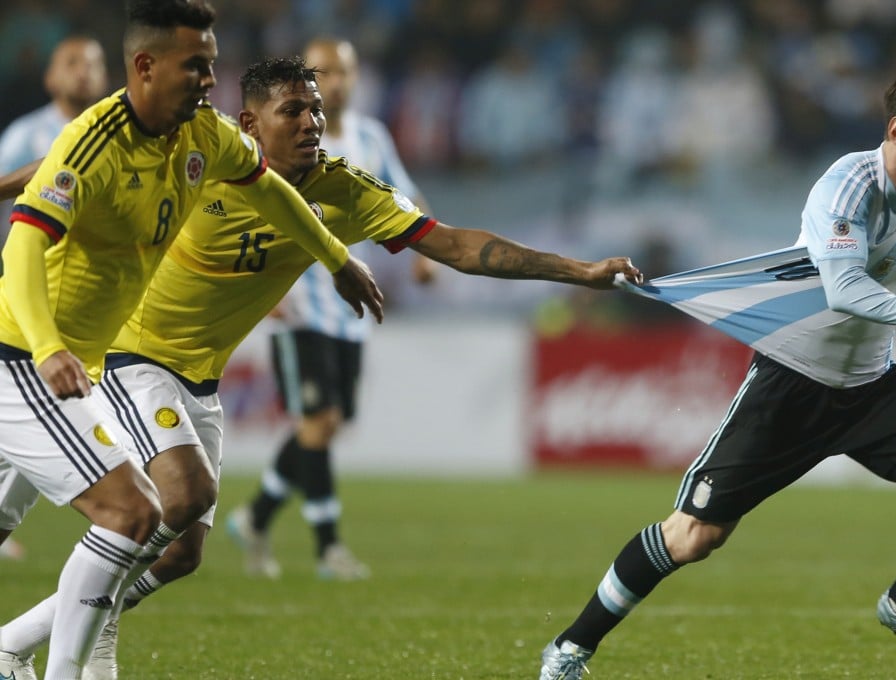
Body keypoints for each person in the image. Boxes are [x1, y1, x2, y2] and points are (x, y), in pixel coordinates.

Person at [0, 54, 642, 679]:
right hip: (129, 355)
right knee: (180, 496)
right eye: (293, 111)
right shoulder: (204, 158)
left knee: (180, 553)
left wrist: (579, 272)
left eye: (316, 109)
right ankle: (77, 640)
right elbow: (70, 166)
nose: (312, 121)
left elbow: (455, 246)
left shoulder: (344, 187)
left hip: (201, 377)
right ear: (250, 125)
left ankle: (13, 644)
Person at [538, 64, 896, 680]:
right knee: (694, 537)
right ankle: (570, 649)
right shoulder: (845, 188)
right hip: (792, 378)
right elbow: (844, 290)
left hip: (869, 383)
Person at [0, 0, 383, 677]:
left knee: (140, 518)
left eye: (211, 64)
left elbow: (268, 190)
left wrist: (335, 255)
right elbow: (26, 247)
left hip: (69, 362)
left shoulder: (199, 134)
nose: (210, 79)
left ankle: (10, 651)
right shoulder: (92, 142)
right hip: (25, 358)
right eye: (196, 66)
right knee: (131, 511)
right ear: (145, 66)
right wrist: (46, 345)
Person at [225, 37, 434, 582]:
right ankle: (328, 548)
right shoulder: (271, 145)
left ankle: (257, 515)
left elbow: (405, 194)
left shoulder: (370, 137)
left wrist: (422, 256)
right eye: (327, 73)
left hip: (349, 304)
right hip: (299, 304)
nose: (336, 83)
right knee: (318, 421)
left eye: (344, 73)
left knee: (329, 422)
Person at [0, 35, 108, 251]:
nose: (82, 72)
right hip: (31, 258)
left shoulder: (115, 132)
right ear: (50, 78)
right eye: (71, 63)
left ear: (105, 78)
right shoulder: (24, 134)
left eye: (92, 65)